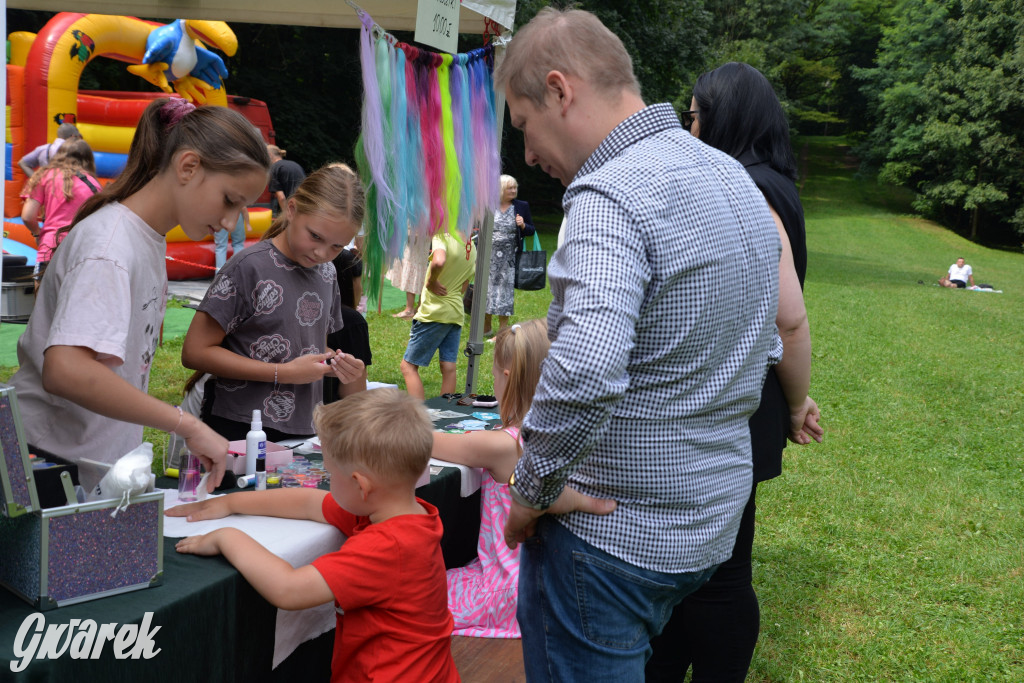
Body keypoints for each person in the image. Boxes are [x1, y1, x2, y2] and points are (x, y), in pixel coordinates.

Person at [494, 9, 798, 680]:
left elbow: (588, 366)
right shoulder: (731, 179)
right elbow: (772, 335)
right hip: (706, 526)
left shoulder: (610, 194)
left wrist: (533, 487)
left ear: (559, 89)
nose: (529, 156)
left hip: (608, 542)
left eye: (524, 125)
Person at [646, 61, 824, 683]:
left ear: (722, 119)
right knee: (706, 565)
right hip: (749, 393)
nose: (689, 131)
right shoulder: (773, 181)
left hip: (742, 399)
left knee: (719, 572)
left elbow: (789, 320)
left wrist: (798, 403)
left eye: (694, 117)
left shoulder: (751, 189)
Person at [10, 98, 269, 493]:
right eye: (229, 200)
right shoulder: (110, 247)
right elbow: (66, 369)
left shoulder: (143, 237)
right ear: (188, 167)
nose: (229, 222)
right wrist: (188, 424)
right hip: (49, 468)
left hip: (88, 466)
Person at [169, 388, 460, 683]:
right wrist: (229, 503)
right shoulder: (403, 513)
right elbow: (309, 503)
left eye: (331, 474)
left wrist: (228, 537)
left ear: (361, 485)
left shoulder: (386, 546)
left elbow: (289, 590)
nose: (328, 482)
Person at [181, 164, 367, 442]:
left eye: (336, 246)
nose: (321, 252)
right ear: (291, 209)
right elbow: (195, 352)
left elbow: (306, 342)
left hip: (304, 428)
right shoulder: (248, 267)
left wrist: (339, 364)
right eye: (315, 236)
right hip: (240, 426)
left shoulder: (327, 272)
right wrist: (283, 373)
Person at [399, 229, 476, 400]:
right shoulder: (471, 245)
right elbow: (464, 284)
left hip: (434, 312)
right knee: (448, 367)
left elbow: (439, 261)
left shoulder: (442, 236)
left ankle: (418, 415)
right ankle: (445, 413)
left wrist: (431, 281)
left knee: (408, 367)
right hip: (455, 313)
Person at [20, 139, 101, 276]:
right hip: (82, 253)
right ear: (88, 160)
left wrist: (37, 233)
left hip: (51, 249)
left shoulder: (45, 176)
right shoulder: (94, 185)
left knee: (44, 297)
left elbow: (28, 216)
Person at [484, 174, 535, 338]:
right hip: (489, 256)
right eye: (509, 188)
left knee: (504, 293)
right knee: (487, 291)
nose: (513, 191)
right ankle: (486, 328)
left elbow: (531, 230)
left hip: (509, 258)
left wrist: (523, 225)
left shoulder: (521, 206)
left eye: (515, 188)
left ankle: (502, 331)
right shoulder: (489, 205)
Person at [387, 230, 431, 319]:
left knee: (415, 264)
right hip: (421, 231)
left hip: (420, 232)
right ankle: (418, 307)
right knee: (417, 266)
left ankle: (411, 309)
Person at [267, 144, 306, 216]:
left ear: (270, 155)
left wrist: (286, 215)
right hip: (306, 204)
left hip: (293, 208)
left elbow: (281, 197)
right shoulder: (294, 164)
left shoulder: (274, 168)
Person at [214, 205, 248, 271]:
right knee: (238, 244)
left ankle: (220, 274)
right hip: (236, 214)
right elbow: (243, 208)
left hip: (220, 215)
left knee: (221, 247)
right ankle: (238, 271)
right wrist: (248, 223)